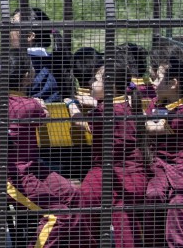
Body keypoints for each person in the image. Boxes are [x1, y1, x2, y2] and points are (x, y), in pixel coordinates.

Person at [0, 49, 79, 248]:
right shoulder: (29, 105)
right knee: (59, 214)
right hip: (13, 176)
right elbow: (44, 115)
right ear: (27, 77)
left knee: (74, 195)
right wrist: (39, 105)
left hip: (33, 168)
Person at [77, 54, 147, 248]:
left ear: (111, 86)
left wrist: (71, 106)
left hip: (105, 175)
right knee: (125, 226)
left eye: (96, 80)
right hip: (134, 177)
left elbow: (81, 123)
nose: (91, 83)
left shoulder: (103, 111)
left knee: (83, 207)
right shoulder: (130, 103)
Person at [144, 50, 183, 248]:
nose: (153, 83)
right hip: (159, 165)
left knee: (177, 205)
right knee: (153, 196)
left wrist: (135, 119)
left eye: (159, 78)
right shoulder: (155, 103)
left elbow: (153, 128)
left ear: (173, 84)